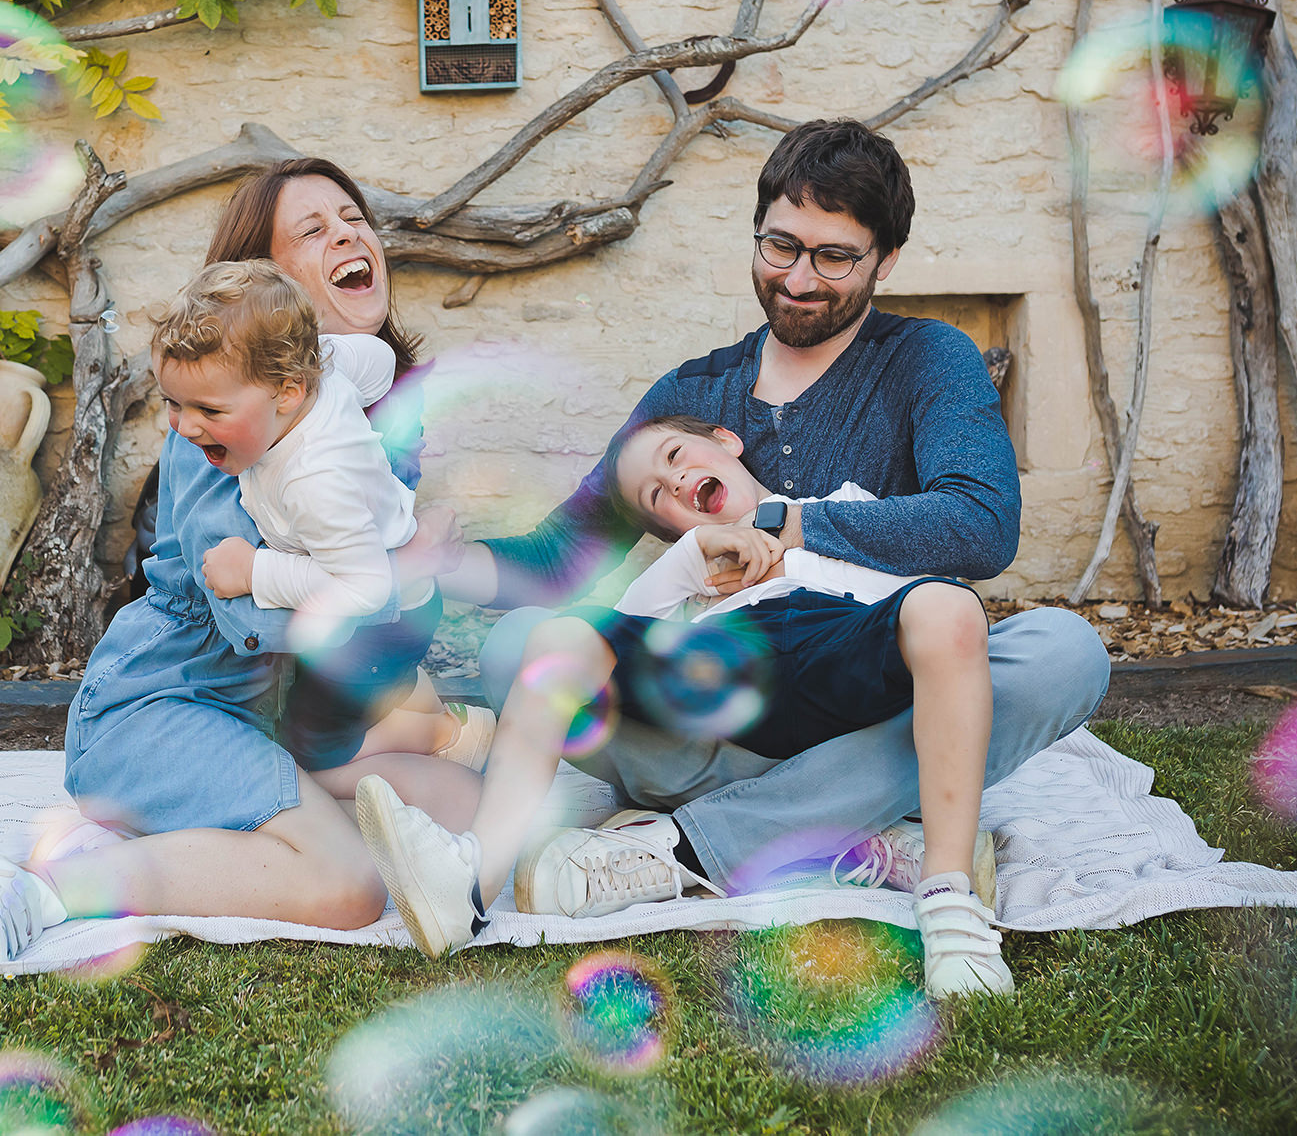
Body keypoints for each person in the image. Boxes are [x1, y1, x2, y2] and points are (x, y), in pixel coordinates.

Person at [434, 119, 1112, 926]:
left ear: (885, 261)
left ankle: (684, 848)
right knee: (521, 646)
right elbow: (564, 553)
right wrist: (440, 561)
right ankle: (855, 826)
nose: (798, 278)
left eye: (833, 256)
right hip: (709, 734)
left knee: (1065, 653)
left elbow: (983, 523)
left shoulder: (928, 359)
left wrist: (785, 522)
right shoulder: (694, 398)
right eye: (780, 246)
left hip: (871, 704)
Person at [0, 158, 481, 965]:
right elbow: (250, 611)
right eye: (313, 229)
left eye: (352, 217)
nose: (349, 233)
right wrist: (400, 579)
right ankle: (39, 889)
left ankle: (245, 814)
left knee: (460, 800)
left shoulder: (350, 410)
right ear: (263, 283)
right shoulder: (229, 432)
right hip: (155, 712)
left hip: (255, 718)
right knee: (347, 886)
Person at [356, 411, 1014, 998]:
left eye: (676, 458)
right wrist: (689, 562)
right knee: (558, 636)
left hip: (838, 641)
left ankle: (950, 903)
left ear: (726, 441)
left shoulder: (841, 508)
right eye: (656, 497)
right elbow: (610, 649)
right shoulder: (687, 574)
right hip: (723, 668)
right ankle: (469, 883)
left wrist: (795, 536)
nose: (674, 485)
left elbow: (943, 575)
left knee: (952, 608)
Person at [151, 257, 493, 773]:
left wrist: (253, 572)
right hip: (383, 605)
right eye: (173, 403)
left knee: (310, 746)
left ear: (287, 392)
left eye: (210, 411)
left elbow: (364, 588)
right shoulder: (318, 378)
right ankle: (404, 699)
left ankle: (451, 736)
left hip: (380, 623)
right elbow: (377, 361)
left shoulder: (315, 480)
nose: (185, 426)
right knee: (346, 692)